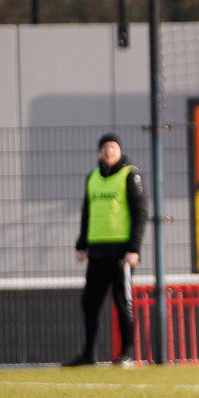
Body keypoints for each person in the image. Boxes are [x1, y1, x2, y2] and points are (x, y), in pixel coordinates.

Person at [65, 133, 147, 368]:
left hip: (121, 253)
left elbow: (140, 213)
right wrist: (82, 244)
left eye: (113, 147)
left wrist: (134, 248)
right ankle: (88, 354)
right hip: (97, 252)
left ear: (120, 150)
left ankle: (126, 354)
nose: (108, 151)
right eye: (104, 147)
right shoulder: (92, 177)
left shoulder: (130, 175)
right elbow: (86, 212)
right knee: (90, 302)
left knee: (122, 303)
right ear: (99, 151)